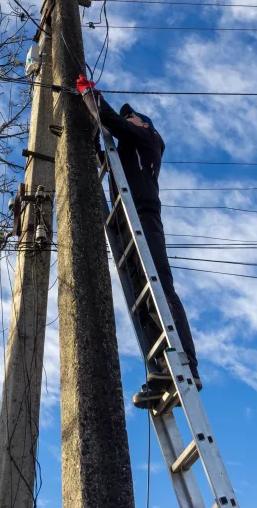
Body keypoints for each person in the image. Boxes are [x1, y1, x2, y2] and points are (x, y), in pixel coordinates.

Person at [96, 94, 202, 403]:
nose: (127, 120)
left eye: (132, 118)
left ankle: (186, 365)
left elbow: (114, 122)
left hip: (143, 214)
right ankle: (160, 368)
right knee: (140, 294)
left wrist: (92, 96)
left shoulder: (149, 139)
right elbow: (106, 158)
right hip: (126, 220)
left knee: (159, 287)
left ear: (143, 124)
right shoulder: (127, 152)